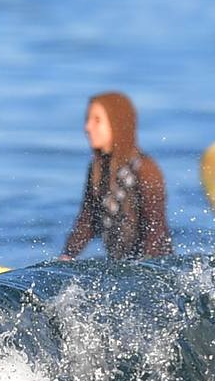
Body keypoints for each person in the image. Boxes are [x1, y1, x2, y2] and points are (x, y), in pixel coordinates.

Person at [60, 92, 172, 261]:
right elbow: (87, 221)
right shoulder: (97, 169)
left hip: (153, 266)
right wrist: (66, 256)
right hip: (120, 265)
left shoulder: (146, 169)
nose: (87, 127)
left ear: (117, 123)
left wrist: (147, 269)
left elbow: (156, 230)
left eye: (97, 120)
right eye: (87, 119)